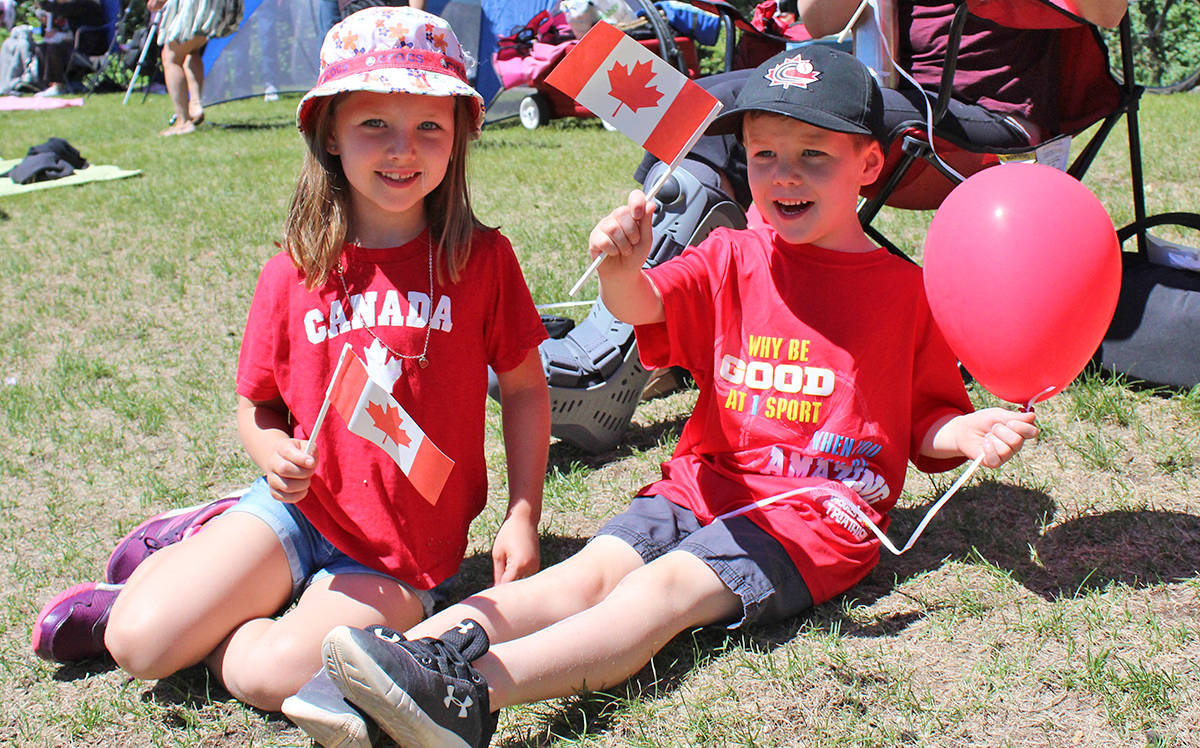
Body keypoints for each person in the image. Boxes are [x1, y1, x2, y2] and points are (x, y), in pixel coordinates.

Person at [290, 46, 1039, 748]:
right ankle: (389, 668)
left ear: (869, 163)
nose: (784, 176)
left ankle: (465, 696)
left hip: (818, 516)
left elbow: (926, 424)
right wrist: (621, 265)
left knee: (664, 590)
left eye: (814, 155)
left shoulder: (906, 292)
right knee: (585, 573)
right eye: (765, 155)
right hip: (702, 483)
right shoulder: (731, 255)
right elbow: (642, 301)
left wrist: (965, 431)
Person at [30, 5, 550, 717]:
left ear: (459, 135)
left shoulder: (482, 260)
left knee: (268, 677)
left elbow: (523, 390)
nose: (404, 149)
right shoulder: (293, 272)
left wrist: (523, 514)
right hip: (297, 511)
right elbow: (257, 407)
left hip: (400, 554)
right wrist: (270, 450)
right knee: (139, 645)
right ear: (330, 132)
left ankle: (214, 594)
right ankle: (188, 561)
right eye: (375, 125)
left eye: (429, 125)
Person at [795, 0, 1130, 147]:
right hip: (894, 95)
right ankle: (752, 270)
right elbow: (821, 22)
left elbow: (1109, 12)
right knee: (748, 90)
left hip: (987, 117)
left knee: (793, 106)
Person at [147, 0, 242, 135]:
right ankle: (195, 105)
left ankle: (183, 122)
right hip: (213, 7)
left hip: (194, 7)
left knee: (171, 59)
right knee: (192, 50)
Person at [34, 0, 107, 96]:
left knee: (55, 47)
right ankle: (46, 86)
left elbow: (55, 8)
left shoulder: (85, 4)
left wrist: (42, 4)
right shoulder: (65, 9)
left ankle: (59, 87)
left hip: (89, 49)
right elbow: (46, 32)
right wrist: (47, 24)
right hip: (74, 45)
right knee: (42, 46)